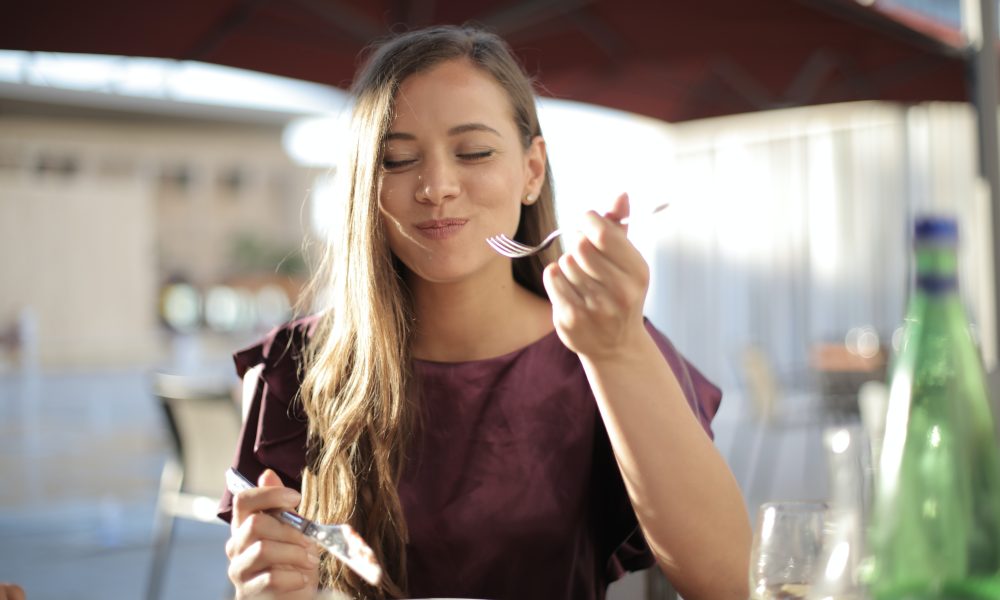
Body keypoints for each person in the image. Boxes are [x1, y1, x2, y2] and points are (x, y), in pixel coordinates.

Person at [220, 24, 751, 600]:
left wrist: (616, 351)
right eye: (397, 160)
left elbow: (730, 582)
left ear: (532, 170)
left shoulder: (607, 345)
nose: (436, 186)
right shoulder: (299, 367)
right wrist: (267, 586)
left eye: (474, 152)